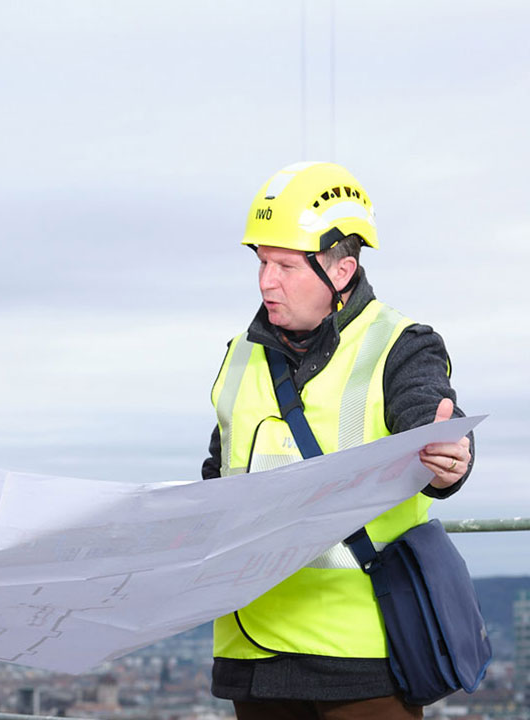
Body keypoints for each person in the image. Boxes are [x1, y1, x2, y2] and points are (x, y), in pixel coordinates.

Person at [202, 161, 475, 719]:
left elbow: (432, 423)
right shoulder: (239, 354)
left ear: (343, 270)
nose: (265, 282)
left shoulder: (400, 345)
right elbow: (218, 474)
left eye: (284, 265)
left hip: (358, 660)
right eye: (261, 263)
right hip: (251, 652)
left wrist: (451, 459)